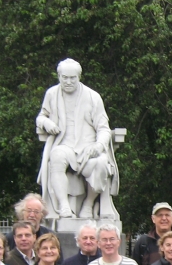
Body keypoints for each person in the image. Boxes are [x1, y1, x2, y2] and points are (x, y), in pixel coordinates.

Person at [36, 58, 120, 220]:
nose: (68, 82)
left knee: (102, 163)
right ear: (59, 76)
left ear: (79, 77)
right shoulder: (52, 94)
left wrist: (98, 146)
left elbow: (103, 128)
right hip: (63, 145)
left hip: (88, 147)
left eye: (72, 78)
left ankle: (88, 204)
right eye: (64, 77)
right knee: (57, 156)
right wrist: (47, 123)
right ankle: (63, 206)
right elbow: (40, 117)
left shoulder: (93, 97)